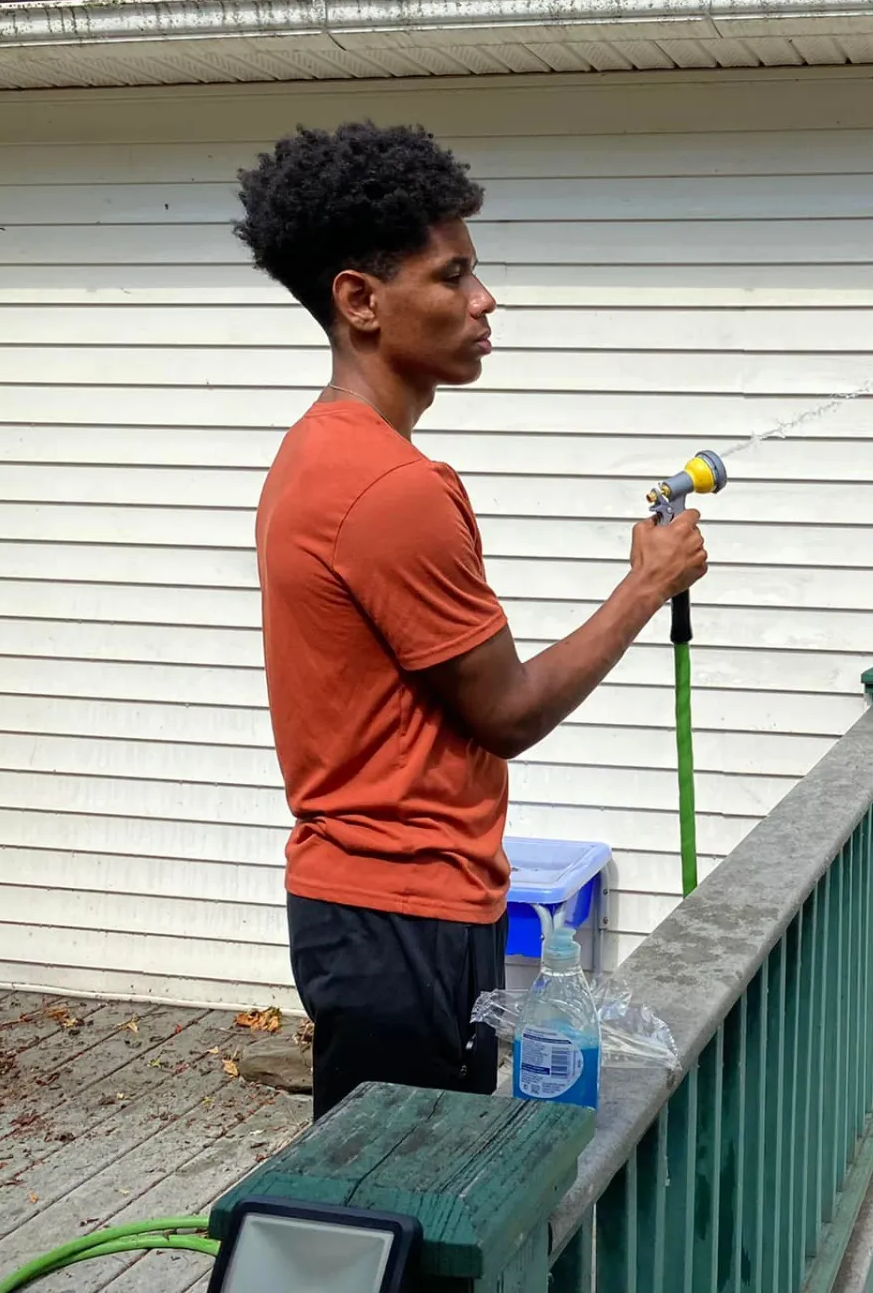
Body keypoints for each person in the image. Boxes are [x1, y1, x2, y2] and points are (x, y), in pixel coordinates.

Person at [233, 120, 707, 1119]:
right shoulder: (390, 487)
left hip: (369, 908)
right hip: (403, 913)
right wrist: (645, 586)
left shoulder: (319, 452)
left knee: (375, 1205)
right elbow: (509, 711)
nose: (485, 301)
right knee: (398, 1212)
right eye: (453, 278)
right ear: (360, 300)